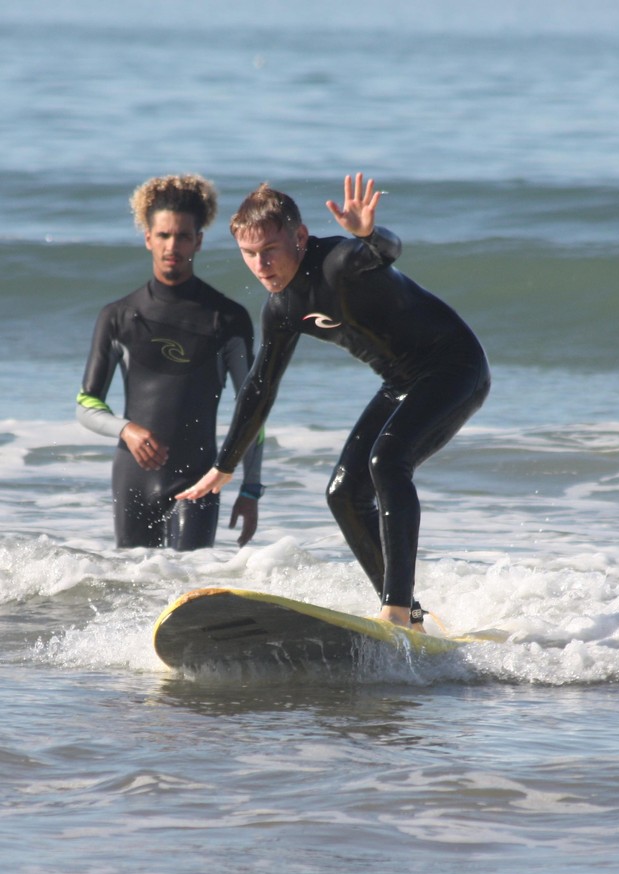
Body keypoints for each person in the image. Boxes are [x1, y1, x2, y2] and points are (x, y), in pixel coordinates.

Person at [176, 172, 490, 630]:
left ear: (300, 237)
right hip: (400, 382)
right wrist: (226, 464)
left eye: (270, 250)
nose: (261, 264)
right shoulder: (281, 309)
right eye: (249, 253)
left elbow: (386, 252)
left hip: (455, 368)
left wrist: (369, 233)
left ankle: (396, 611)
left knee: (388, 462)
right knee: (344, 494)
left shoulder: (339, 262)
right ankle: (412, 616)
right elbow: (261, 385)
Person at [77, 174, 265, 550]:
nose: (172, 246)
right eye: (163, 235)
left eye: (182, 236)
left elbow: (252, 409)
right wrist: (127, 430)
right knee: (131, 581)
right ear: (148, 238)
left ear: (198, 240)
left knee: (190, 579)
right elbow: (86, 403)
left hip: (198, 479)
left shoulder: (227, 318)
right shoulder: (118, 316)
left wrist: (250, 489)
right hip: (133, 478)